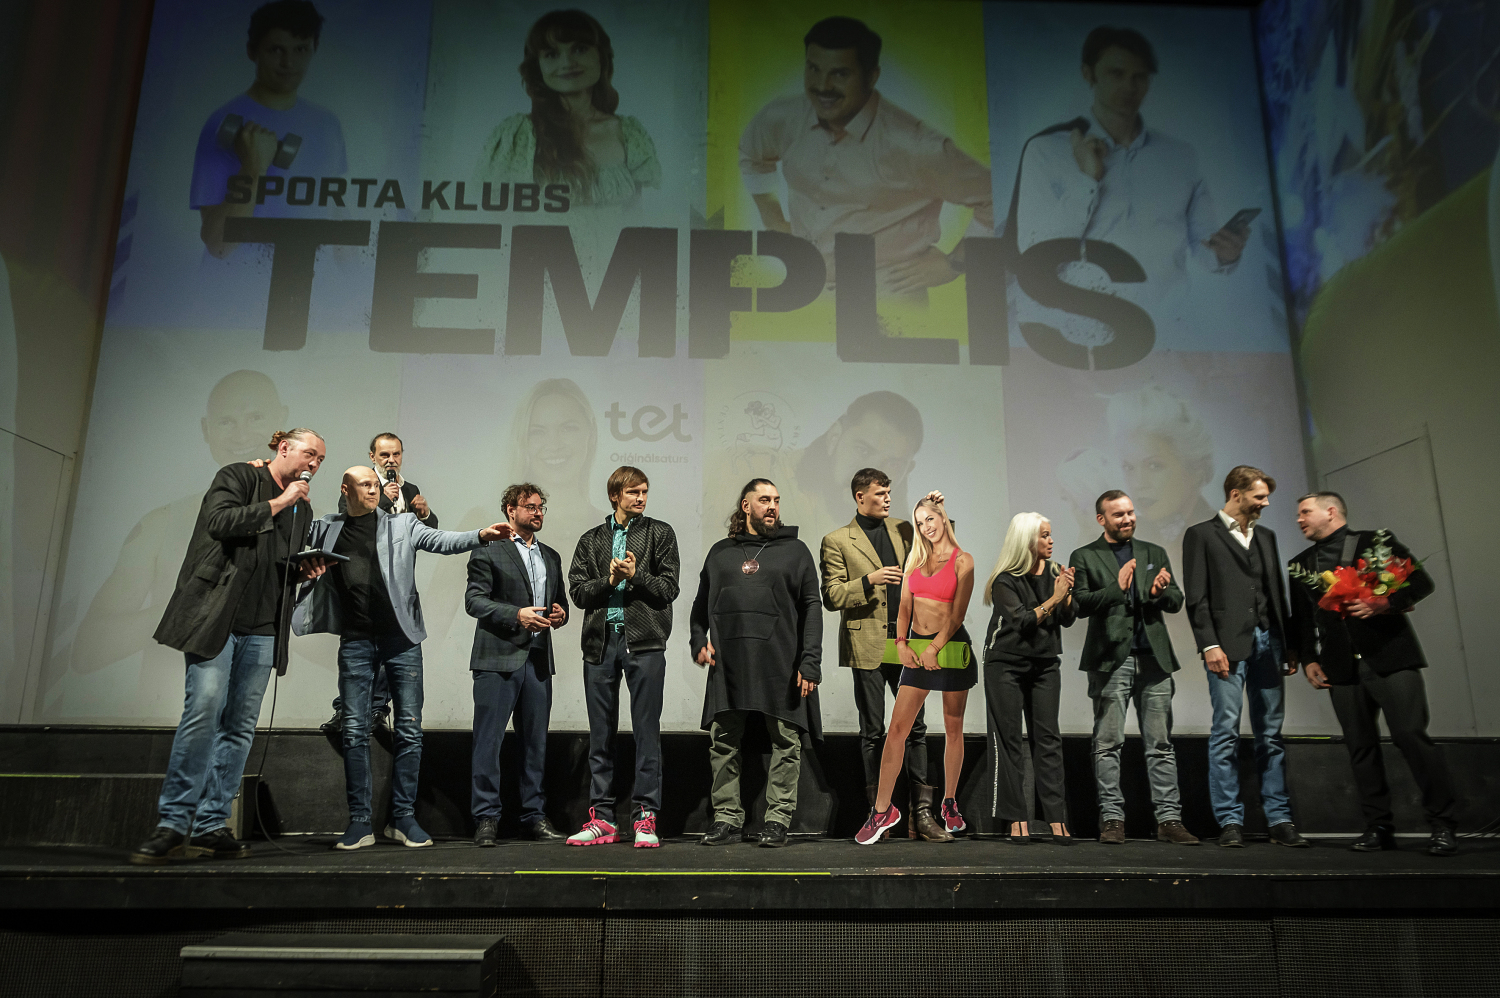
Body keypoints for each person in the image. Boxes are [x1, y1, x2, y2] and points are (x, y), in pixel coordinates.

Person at [129, 428, 327, 864]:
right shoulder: (239, 476)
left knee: (239, 727)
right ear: (284, 448)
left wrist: (302, 571)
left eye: (320, 460)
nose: (314, 465)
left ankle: (210, 825)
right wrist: (280, 502)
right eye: (309, 454)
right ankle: (172, 824)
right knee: (203, 713)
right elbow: (219, 523)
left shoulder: (303, 511)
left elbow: (277, 565)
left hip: (263, 628)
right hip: (216, 620)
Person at [294, 468, 511, 851]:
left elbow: (441, 540)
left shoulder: (402, 524)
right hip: (356, 642)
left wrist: (480, 535)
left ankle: (403, 819)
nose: (373, 490)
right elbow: (294, 548)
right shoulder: (326, 527)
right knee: (354, 730)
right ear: (345, 490)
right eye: (365, 485)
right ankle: (360, 823)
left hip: (402, 641)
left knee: (409, 730)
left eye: (376, 485)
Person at [739, 16, 993, 297]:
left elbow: (993, 197)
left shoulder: (914, 145)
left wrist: (954, 264)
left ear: (871, 76)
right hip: (801, 283)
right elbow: (752, 155)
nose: (822, 86)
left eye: (840, 74)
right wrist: (774, 222)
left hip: (886, 295)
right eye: (813, 69)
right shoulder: (782, 117)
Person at [71, 370, 289, 679]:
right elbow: (87, 651)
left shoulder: (311, 521)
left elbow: (348, 640)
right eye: (226, 422)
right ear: (206, 429)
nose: (241, 435)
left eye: (255, 418)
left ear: (281, 424)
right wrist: (192, 602)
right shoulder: (162, 523)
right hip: (171, 699)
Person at [1010, 26, 1247, 299]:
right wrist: (1086, 180)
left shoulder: (1181, 156)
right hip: (1085, 316)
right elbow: (1034, 251)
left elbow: (1203, 245)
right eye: (1116, 74)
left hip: (1168, 318)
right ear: (1089, 74)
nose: (1129, 87)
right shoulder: (1046, 151)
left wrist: (1225, 254)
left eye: (1140, 77)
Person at [1290, 491, 1458, 857]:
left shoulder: (1374, 541)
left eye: (1305, 512)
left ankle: (1443, 823)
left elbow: (1421, 583)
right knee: (1360, 748)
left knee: (1411, 736)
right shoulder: (1300, 564)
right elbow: (1302, 620)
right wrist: (1308, 659)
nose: (1299, 519)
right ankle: (1378, 827)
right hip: (1340, 667)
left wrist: (1384, 603)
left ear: (1330, 511)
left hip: (1390, 657)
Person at [691, 479, 822, 848]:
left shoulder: (796, 551)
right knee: (723, 742)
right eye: (764, 500)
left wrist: (810, 661)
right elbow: (700, 607)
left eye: (776, 500)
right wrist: (698, 640)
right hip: (729, 664)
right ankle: (727, 819)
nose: (772, 506)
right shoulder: (720, 553)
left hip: (781, 661)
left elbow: (812, 607)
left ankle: (778, 820)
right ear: (746, 505)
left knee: (786, 741)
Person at [1182, 465, 1308, 848]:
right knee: (1226, 732)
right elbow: (1197, 597)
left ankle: (1279, 819)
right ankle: (1230, 820)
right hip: (1226, 647)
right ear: (1236, 494)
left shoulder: (1266, 536)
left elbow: (1276, 592)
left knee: (1271, 734)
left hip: (1269, 642)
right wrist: (1209, 645)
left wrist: (1289, 643)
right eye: (1259, 496)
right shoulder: (1201, 534)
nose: (1265, 503)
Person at [1069, 490, 1197, 845]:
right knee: (1108, 743)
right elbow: (1080, 604)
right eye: (1118, 515)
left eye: (1130, 512)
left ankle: (1169, 820)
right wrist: (1117, 587)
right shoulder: (1085, 555)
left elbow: (1175, 601)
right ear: (1101, 519)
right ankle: (1112, 819)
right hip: (1111, 660)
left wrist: (1160, 592)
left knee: (1160, 744)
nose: (1127, 519)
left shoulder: (1153, 552)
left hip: (1154, 659)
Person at [565, 466, 681, 848]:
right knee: (600, 735)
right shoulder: (592, 539)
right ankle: (603, 818)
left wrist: (635, 575)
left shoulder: (660, 533)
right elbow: (578, 593)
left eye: (644, 491)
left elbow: (669, 588)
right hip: (600, 644)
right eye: (633, 492)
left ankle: (645, 817)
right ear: (615, 495)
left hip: (644, 643)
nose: (641, 498)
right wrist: (611, 581)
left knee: (647, 733)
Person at [855, 495, 976, 845]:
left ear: (943, 517)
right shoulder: (915, 559)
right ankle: (882, 811)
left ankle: (949, 802)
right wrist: (901, 643)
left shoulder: (963, 561)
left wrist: (935, 648)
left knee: (953, 728)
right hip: (918, 649)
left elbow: (958, 615)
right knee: (897, 729)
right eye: (920, 522)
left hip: (950, 649)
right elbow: (904, 606)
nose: (926, 527)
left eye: (930, 519)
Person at [191, 1, 347, 257]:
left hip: (304, 277)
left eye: (300, 49)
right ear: (252, 51)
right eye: (276, 50)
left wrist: (355, 272)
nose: (289, 62)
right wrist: (253, 168)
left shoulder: (327, 124)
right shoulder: (221, 124)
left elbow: (336, 215)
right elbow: (219, 246)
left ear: (315, 48)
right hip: (235, 280)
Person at [819, 469, 925, 828]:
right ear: (860, 496)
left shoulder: (903, 530)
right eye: (880, 493)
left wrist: (934, 512)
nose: (888, 499)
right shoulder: (837, 540)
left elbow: (937, 554)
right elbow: (832, 596)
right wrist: (869, 580)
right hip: (867, 644)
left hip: (905, 641)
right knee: (873, 731)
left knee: (916, 727)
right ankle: (879, 812)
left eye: (889, 492)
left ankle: (921, 813)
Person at [466, 483, 570, 846]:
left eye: (541, 507)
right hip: (497, 658)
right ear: (511, 510)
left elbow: (560, 603)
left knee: (535, 745)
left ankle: (533, 816)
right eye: (530, 506)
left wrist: (560, 614)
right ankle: (486, 818)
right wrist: (516, 615)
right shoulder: (489, 549)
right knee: (488, 742)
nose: (538, 512)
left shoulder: (551, 556)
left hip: (538, 661)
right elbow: (474, 601)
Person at [475, 9, 660, 208]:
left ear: (600, 56)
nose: (567, 63)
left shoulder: (628, 133)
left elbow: (638, 214)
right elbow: (497, 213)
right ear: (538, 66)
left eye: (580, 49)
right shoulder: (518, 135)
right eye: (552, 54)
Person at [322, 432, 439, 736]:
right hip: (364, 583)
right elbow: (352, 518)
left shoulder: (410, 489)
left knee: (394, 651)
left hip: (397, 584)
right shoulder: (358, 483)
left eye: (396, 454)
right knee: (360, 655)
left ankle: (376, 710)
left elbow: (427, 533)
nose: (391, 460)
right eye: (385, 455)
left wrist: (425, 514)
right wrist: (383, 497)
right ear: (372, 456)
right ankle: (346, 711)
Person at [716, 391, 925, 552]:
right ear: (834, 438)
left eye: (892, 464)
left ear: (906, 472)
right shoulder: (746, 468)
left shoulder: (910, 543)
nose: (870, 478)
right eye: (862, 450)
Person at [981, 512, 1077, 844]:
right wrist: (1055, 597)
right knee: (1009, 740)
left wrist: (1066, 593)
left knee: (1048, 738)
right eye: (1044, 535)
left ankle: (1055, 817)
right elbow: (1022, 621)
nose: (1051, 541)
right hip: (1005, 663)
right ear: (1027, 540)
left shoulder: (1055, 571)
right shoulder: (1005, 579)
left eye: (1050, 534)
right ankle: (1016, 817)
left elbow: (1067, 617)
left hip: (1045, 663)